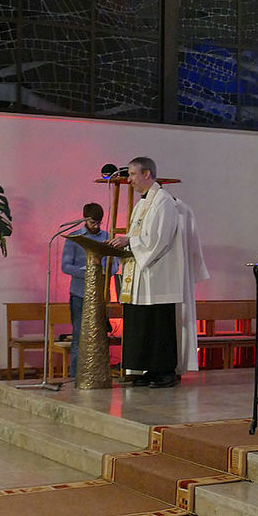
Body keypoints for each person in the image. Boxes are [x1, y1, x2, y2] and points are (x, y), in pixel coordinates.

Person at [107, 156, 208, 387]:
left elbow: (159, 239)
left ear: (147, 174)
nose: (129, 179)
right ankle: (148, 370)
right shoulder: (143, 203)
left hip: (158, 276)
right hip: (143, 276)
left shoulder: (163, 201)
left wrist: (128, 243)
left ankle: (165, 371)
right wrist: (125, 244)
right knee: (144, 324)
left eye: (132, 174)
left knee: (159, 325)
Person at [61, 203, 118, 376]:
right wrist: (87, 272)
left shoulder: (107, 237)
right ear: (85, 219)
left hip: (101, 293)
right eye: (93, 222)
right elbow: (65, 266)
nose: (96, 226)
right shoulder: (75, 238)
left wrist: (104, 271)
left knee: (101, 334)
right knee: (79, 335)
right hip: (80, 293)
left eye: (99, 223)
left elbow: (114, 265)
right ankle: (76, 374)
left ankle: (98, 373)